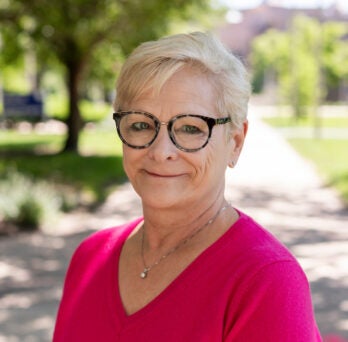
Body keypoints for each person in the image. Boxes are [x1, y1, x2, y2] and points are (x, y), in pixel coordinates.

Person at [54, 32, 322, 341]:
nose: (161, 151)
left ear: (235, 142)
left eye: (191, 128)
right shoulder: (90, 257)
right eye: (141, 124)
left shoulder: (265, 280)